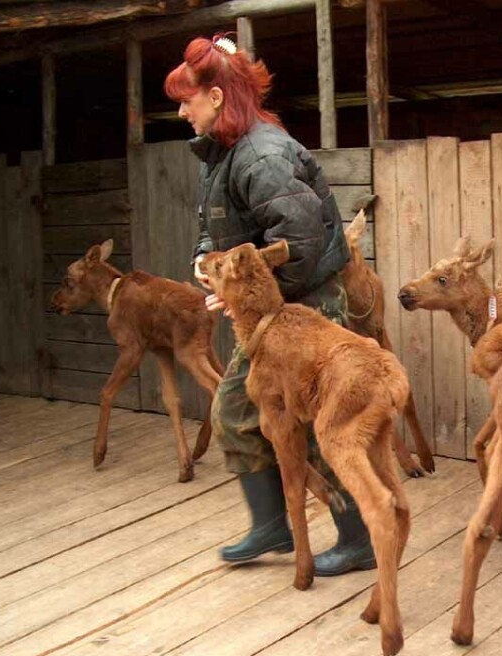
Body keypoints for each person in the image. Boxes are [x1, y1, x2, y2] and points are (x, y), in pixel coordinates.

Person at [164, 33, 375, 576]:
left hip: (306, 311)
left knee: (326, 423)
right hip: (269, 316)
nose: (182, 111)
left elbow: (300, 245)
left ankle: (359, 540)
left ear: (215, 97)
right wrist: (205, 261)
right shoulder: (223, 153)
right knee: (237, 411)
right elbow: (216, 231)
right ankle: (272, 526)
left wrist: (247, 291)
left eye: (186, 100)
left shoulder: (263, 154)